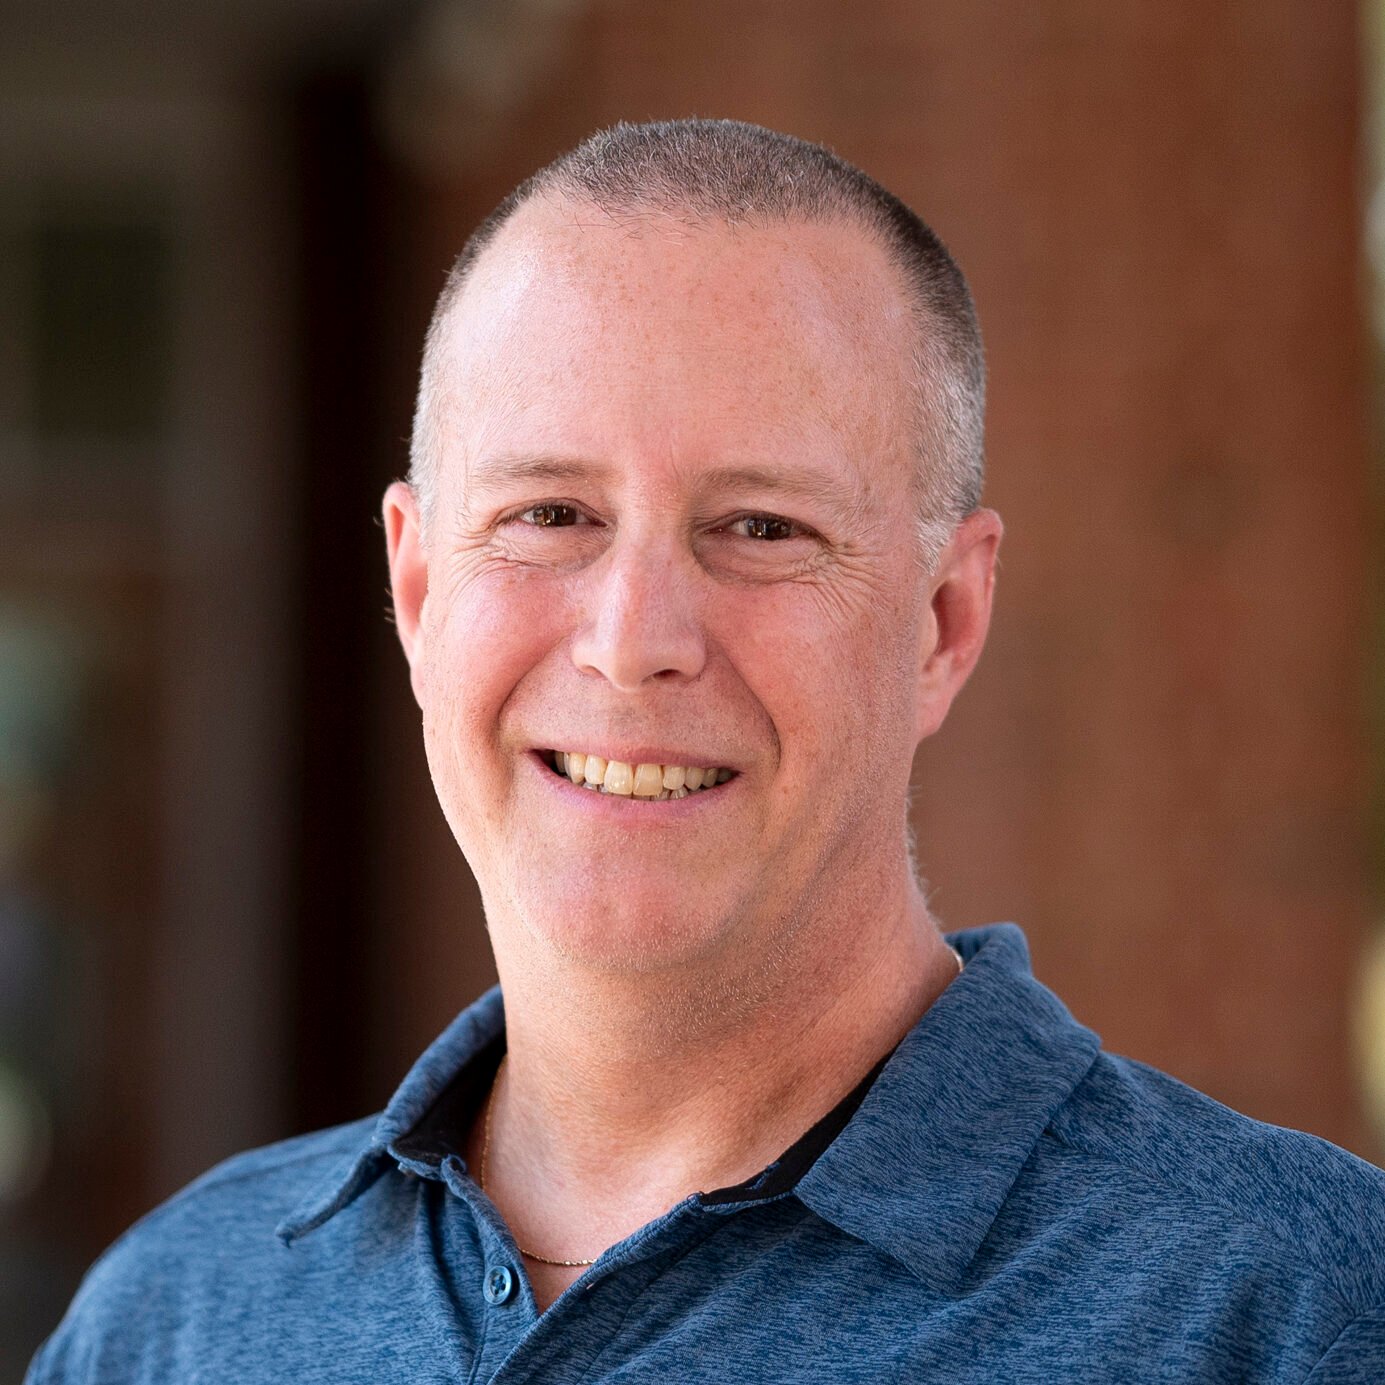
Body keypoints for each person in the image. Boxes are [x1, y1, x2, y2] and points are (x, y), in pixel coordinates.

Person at [26, 118, 1385, 1383]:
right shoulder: (175, 1318)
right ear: (422, 592)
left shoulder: (1295, 1309)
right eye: (551, 511)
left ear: (941, 619)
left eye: (760, 528)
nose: (633, 641)